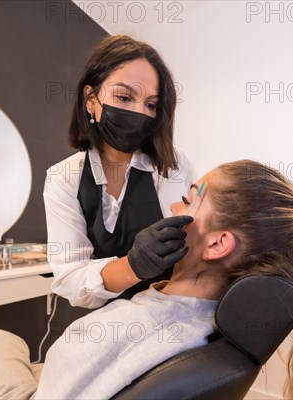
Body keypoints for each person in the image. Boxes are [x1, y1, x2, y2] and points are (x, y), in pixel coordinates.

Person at [0, 160, 293, 399]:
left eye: (187, 198)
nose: (174, 205)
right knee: (6, 343)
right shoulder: (207, 321)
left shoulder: (131, 330)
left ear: (217, 244)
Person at [44, 35, 197, 309]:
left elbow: (193, 246)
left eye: (151, 104)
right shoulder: (63, 178)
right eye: (124, 97)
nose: (139, 112)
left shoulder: (175, 165)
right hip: (105, 324)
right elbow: (71, 280)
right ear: (91, 99)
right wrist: (133, 266)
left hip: (169, 312)